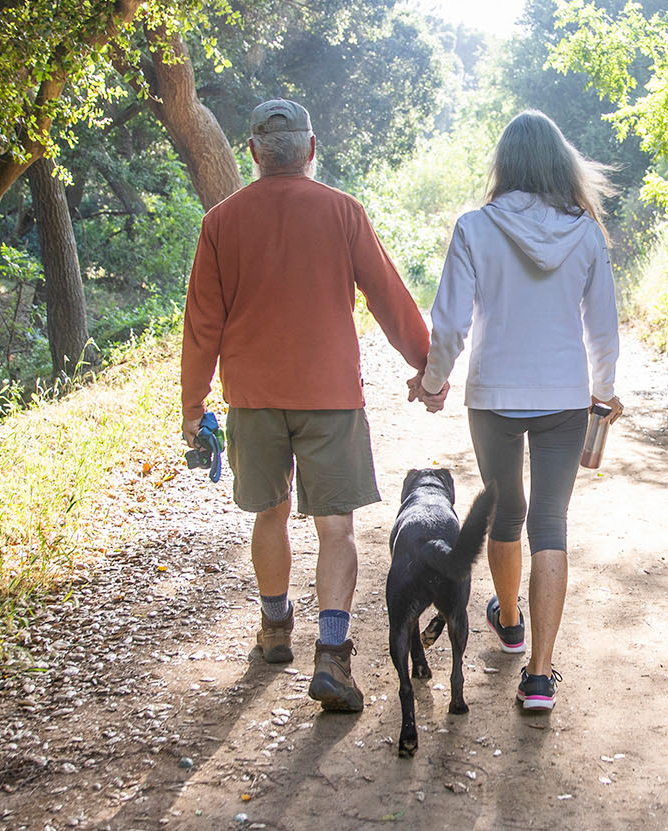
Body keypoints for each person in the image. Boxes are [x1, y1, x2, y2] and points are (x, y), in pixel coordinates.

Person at [181, 99, 431, 713]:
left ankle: (273, 628)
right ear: (312, 150)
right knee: (337, 527)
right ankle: (332, 655)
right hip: (330, 398)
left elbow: (201, 325)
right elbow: (387, 297)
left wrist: (194, 405)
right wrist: (426, 364)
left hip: (253, 398)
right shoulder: (344, 213)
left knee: (269, 513)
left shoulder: (220, 222)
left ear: (253, 153)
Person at [412, 110, 623, 712]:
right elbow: (603, 329)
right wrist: (603, 392)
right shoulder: (585, 232)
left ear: (504, 164)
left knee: (506, 512)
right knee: (549, 523)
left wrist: (433, 381)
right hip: (563, 397)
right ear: (560, 163)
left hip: (495, 395)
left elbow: (449, 323)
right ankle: (539, 675)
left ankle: (510, 624)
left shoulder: (476, 227)